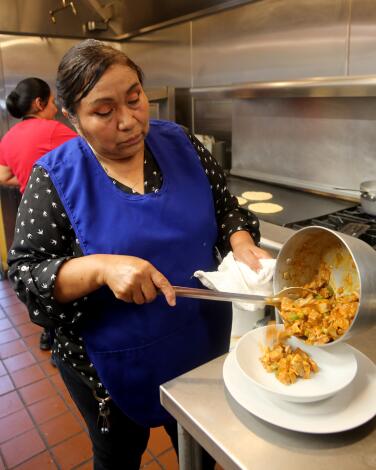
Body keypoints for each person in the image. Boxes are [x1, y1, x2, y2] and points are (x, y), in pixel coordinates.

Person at [8, 39, 271, 469]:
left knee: (199, 448)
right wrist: (99, 268)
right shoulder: (55, 178)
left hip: (197, 345)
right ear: (73, 118)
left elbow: (226, 208)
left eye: (135, 99)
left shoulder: (181, 145)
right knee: (118, 457)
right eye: (104, 111)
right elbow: (26, 275)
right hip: (107, 367)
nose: (129, 121)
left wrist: (240, 240)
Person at [0, 77, 77, 351]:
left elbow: (3, 174)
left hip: (28, 214)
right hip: (61, 215)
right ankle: (64, 340)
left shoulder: (8, 138)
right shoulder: (54, 131)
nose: (55, 109)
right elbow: (93, 154)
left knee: (40, 273)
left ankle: (48, 333)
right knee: (64, 274)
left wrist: (27, 180)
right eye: (53, 102)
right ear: (39, 103)